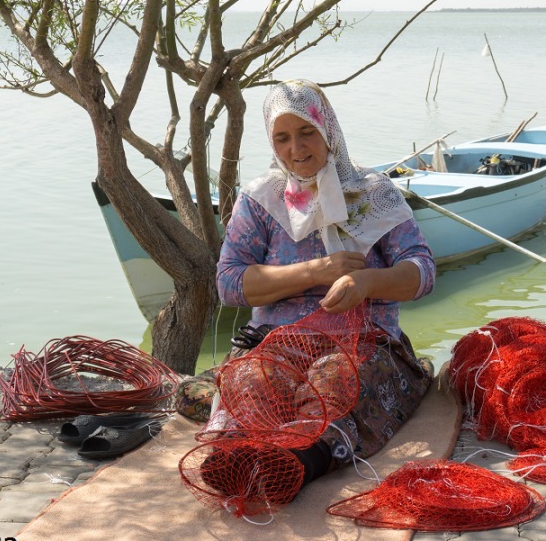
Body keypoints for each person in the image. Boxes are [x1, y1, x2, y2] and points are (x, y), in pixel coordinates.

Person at [177, 79, 436, 483]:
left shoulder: (375, 193)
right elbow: (229, 283)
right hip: (276, 340)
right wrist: (315, 272)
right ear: (271, 142)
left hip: (363, 340)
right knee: (253, 380)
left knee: (334, 381)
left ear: (328, 130)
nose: (296, 150)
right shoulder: (260, 199)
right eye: (282, 138)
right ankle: (236, 459)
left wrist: (367, 283)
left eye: (306, 133)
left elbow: (422, 272)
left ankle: (297, 465)